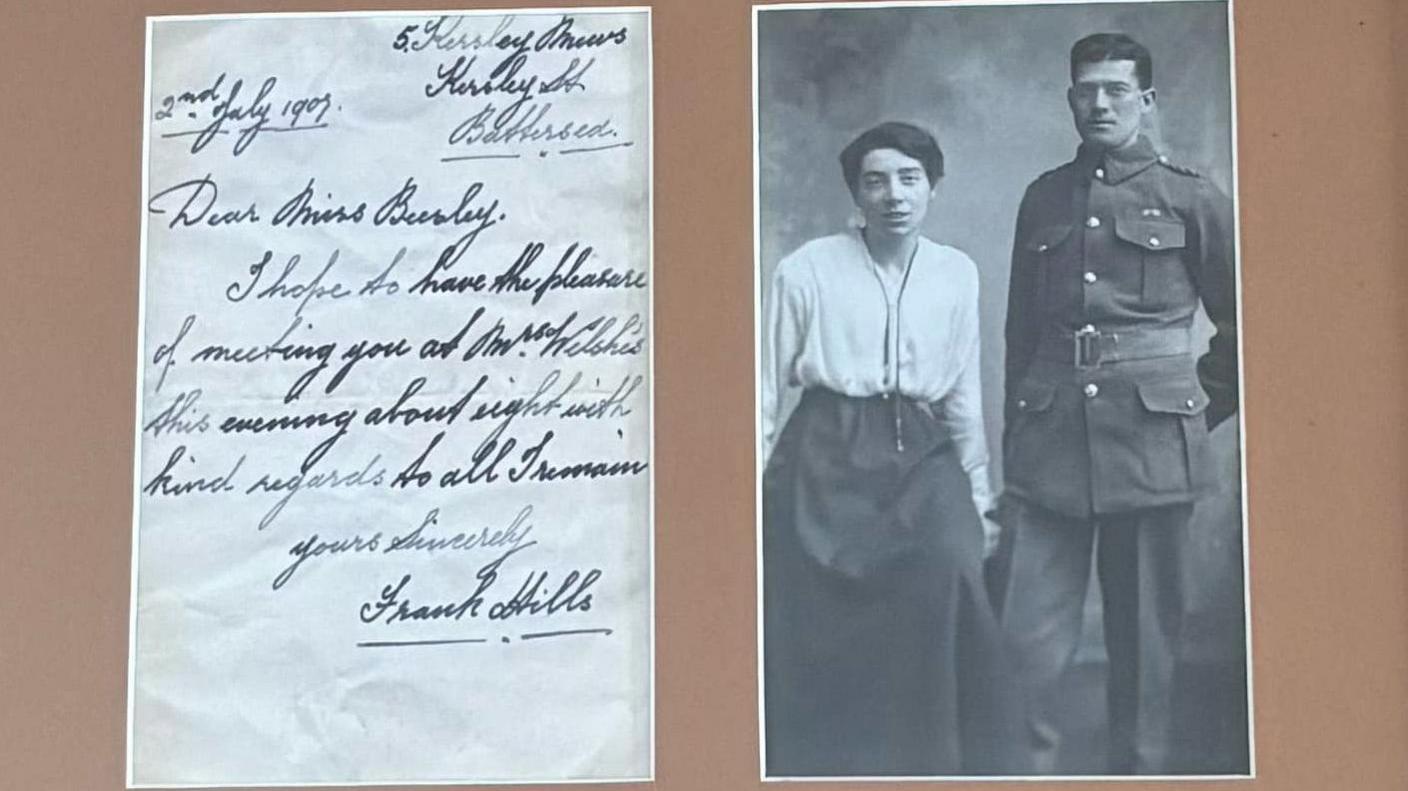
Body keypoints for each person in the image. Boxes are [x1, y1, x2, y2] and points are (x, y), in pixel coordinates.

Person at [998, 33, 1238, 774]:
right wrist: (1017, 430)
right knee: (1023, 637)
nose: (1098, 104)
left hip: (1153, 444)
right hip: (1050, 446)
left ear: (1146, 101)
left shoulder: (1191, 194)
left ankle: (1137, 775)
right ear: (1071, 99)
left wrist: (1194, 410)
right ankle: (1022, 772)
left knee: (1143, 644)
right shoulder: (1043, 196)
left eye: (1115, 91)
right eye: (1085, 91)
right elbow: (1020, 331)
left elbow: (1251, 324)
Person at [761, 121, 1014, 776]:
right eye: (875, 180)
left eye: (909, 179)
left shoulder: (956, 273)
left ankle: (931, 759)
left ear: (932, 188)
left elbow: (962, 393)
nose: (893, 195)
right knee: (811, 600)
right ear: (856, 193)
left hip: (921, 455)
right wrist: (746, 485)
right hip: (824, 451)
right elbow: (762, 388)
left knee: (952, 564)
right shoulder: (807, 268)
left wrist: (980, 498)